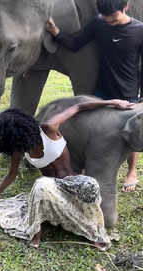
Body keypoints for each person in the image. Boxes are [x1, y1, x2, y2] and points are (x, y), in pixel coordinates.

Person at [0, 98, 134, 250]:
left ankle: (94, 233)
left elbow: (78, 107)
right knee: (41, 184)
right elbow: (11, 174)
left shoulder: (49, 128)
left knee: (90, 183)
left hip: (73, 185)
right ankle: (35, 232)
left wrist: (112, 102)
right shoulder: (19, 147)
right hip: (51, 192)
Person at [46, 0, 143, 191]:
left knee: (132, 132)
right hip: (102, 89)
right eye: (106, 19)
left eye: (113, 18)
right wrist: (55, 31)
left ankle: (132, 171)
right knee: (99, 128)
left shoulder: (140, 30)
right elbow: (75, 43)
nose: (110, 22)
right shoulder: (99, 23)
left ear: (126, 7)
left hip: (129, 91)